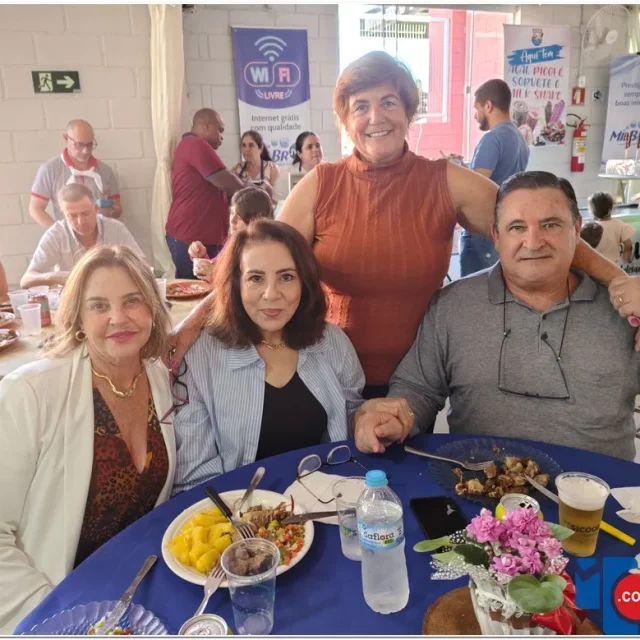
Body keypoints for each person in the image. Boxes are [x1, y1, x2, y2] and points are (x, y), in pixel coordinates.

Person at [167, 51, 624, 397]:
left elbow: (542, 235)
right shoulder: (321, 185)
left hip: (419, 382)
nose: (375, 117)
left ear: (408, 113)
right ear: (345, 121)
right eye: (360, 106)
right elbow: (252, 264)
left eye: (388, 102)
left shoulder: (446, 182)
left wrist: (620, 282)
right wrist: (189, 328)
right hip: (325, 373)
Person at [355, 172, 639, 460]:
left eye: (550, 225)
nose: (533, 242)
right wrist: (393, 417)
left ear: (576, 230)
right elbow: (419, 389)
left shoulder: (625, 311)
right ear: (496, 236)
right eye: (517, 227)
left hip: (599, 487)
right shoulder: (454, 305)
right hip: (478, 482)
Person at [0, 245, 175, 634]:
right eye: (99, 306)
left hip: (141, 593)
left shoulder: (158, 376)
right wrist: (56, 616)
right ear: (78, 317)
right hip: (56, 604)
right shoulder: (29, 393)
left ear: (152, 307)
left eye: (133, 300)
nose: (118, 317)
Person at [173, 219, 365, 494]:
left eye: (286, 277)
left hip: (325, 501)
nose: (272, 294)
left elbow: (352, 420)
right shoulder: (201, 355)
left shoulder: (332, 342)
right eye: (256, 278)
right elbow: (195, 474)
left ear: (305, 283)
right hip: (238, 511)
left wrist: (370, 419)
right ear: (236, 284)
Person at [165, 109, 247, 279]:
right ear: (206, 126)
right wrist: (255, 189)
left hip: (199, 237)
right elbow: (231, 184)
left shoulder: (190, 146)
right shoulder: (196, 145)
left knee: (207, 286)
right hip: (192, 239)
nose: (222, 137)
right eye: (220, 130)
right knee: (196, 289)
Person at [460, 79, 530, 277]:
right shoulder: (520, 138)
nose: (476, 116)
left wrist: (451, 170)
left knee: (472, 291)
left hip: (481, 230)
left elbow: (475, 187)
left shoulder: (493, 138)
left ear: (488, 105)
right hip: (503, 227)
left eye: (477, 109)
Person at [21, 184, 144, 289]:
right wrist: (54, 276)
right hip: (73, 298)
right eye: (72, 216)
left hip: (113, 291)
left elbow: (144, 266)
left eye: (85, 213)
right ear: (63, 213)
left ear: (96, 209)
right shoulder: (56, 234)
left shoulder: (115, 228)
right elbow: (26, 280)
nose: (80, 222)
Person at [29, 119, 121, 228]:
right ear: (66, 138)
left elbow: (118, 209)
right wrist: (59, 232)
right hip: (68, 234)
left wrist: (110, 210)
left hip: (101, 234)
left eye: (89, 144)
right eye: (79, 145)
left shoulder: (105, 171)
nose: (85, 151)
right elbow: (35, 208)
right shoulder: (50, 170)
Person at [188, 186, 274, 282]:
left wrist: (215, 275)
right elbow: (216, 266)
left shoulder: (260, 251)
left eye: (240, 217)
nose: (232, 221)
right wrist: (201, 256)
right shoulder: (233, 240)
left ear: (257, 220)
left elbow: (246, 286)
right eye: (232, 213)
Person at [231, 130, 279, 202]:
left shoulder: (272, 168)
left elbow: (277, 199)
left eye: (251, 145)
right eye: (243, 145)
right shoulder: (237, 169)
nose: (246, 149)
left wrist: (268, 189)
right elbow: (232, 198)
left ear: (260, 148)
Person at [588, 191, 634, 264]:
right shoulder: (618, 224)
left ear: (592, 210)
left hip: (596, 265)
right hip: (613, 265)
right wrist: (625, 258)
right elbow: (628, 244)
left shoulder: (591, 227)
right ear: (611, 208)